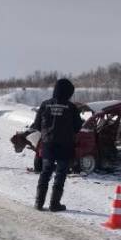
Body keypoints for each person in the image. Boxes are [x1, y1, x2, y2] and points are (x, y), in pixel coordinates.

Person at [30, 78, 83, 211]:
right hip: (65, 147)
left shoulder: (45, 105)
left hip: (48, 145)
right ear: (69, 92)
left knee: (45, 172)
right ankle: (54, 204)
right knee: (60, 174)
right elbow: (78, 127)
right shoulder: (71, 107)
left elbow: (36, 125)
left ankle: (38, 203)